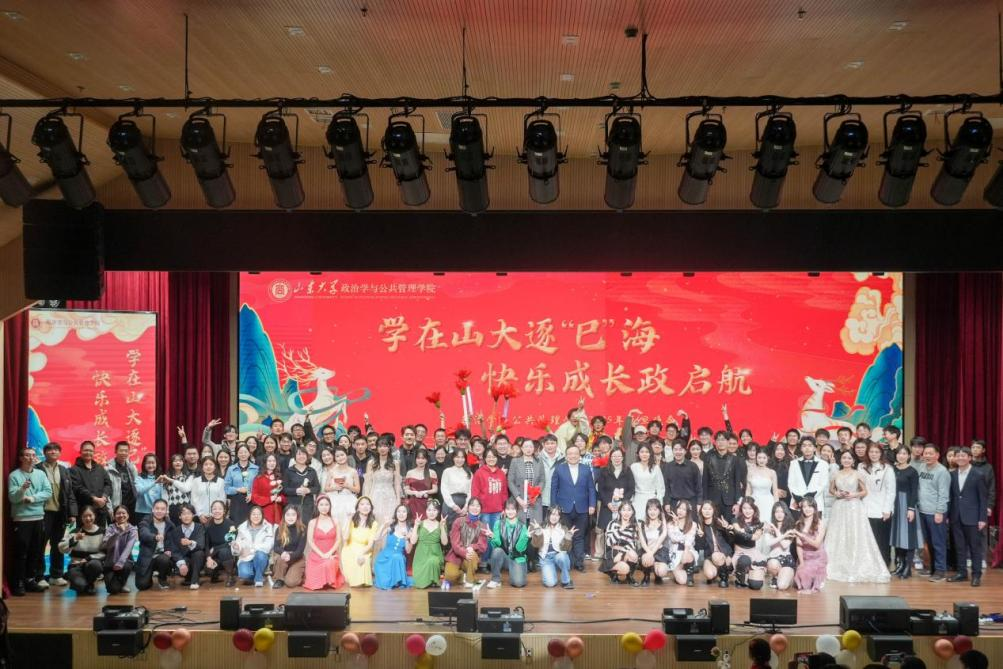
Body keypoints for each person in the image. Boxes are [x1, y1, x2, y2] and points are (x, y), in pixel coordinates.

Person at [825, 450, 890, 583]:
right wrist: (837, 493)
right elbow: (831, 490)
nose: (846, 460)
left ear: (853, 461)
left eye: (849, 458)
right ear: (840, 460)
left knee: (855, 534)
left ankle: (855, 563)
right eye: (844, 458)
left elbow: (865, 491)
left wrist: (853, 495)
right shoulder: (836, 473)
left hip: (854, 507)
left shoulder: (858, 473)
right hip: (839, 507)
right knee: (839, 534)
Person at [8, 446, 53, 596]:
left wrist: (32, 498)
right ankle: (18, 583)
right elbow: (13, 498)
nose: (31, 458)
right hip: (22, 519)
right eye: (27, 455)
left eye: (33, 455)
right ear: (21, 458)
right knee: (21, 552)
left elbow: (48, 492)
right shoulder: (14, 475)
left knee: (36, 551)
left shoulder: (40, 474)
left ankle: (30, 580)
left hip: (38, 517)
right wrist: (22, 489)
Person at [36, 442, 77, 588]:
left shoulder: (64, 470)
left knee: (58, 545)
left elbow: (69, 493)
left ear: (59, 453)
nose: (53, 452)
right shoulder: (37, 469)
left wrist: (72, 513)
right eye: (50, 450)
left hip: (60, 513)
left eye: (56, 450)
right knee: (40, 545)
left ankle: (56, 575)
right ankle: (39, 576)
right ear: (44, 453)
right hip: (43, 513)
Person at [550, 444, 596, 572]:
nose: (573, 456)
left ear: (579, 455)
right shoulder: (559, 469)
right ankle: (568, 562)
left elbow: (591, 488)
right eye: (570, 453)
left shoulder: (586, 469)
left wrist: (592, 504)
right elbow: (554, 489)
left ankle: (579, 563)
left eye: (575, 453)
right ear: (566, 455)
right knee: (566, 535)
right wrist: (554, 508)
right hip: (564, 509)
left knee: (579, 536)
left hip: (582, 508)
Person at [947, 447, 988, 587]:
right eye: (958, 456)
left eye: (963, 455)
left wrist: (982, 518)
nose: (960, 458)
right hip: (956, 516)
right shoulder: (952, 474)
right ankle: (962, 573)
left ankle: (976, 575)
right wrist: (948, 515)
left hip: (973, 517)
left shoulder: (978, 474)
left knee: (975, 548)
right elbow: (952, 497)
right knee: (959, 547)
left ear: (969, 458)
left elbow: (983, 498)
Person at [917, 443, 951, 581]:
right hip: (922, 511)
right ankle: (932, 568)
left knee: (938, 542)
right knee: (928, 542)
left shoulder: (942, 472)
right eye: (926, 453)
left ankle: (941, 570)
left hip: (935, 512)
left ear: (937, 455)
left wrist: (939, 512)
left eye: (931, 453)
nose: (928, 456)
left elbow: (944, 494)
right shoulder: (921, 467)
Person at [860, 443, 896, 567]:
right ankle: (870, 565)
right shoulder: (861, 467)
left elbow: (891, 491)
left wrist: (887, 509)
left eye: (876, 452)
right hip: (865, 508)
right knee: (867, 539)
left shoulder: (887, 469)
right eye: (871, 452)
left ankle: (884, 565)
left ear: (881, 453)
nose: (874, 454)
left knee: (882, 540)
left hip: (881, 509)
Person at [470, 448, 509, 559]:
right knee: (484, 535)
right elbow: (475, 492)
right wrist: (476, 509)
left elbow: (504, 492)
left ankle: (494, 560)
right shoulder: (479, 472)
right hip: (484, 511)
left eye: (493, 457)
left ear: (497, 458)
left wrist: (504, 508)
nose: (491, 459)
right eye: (489, 457)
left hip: (498, 511)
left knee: (495, 536)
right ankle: (484, 560)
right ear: (484, 459)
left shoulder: (501, 473)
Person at [596, 448, 634, 560]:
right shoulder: (604, 471)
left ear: (622, 458)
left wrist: (622, 504)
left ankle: (618, 553)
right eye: (614, 456)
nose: (617, 458)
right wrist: (608, 503)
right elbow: (600, 489)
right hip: (607, 505)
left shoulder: (627, 471)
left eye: (619, 456)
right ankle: (604, 554)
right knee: (605, 529)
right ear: (610, 458)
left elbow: (631, 489)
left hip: (623, 507)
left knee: (621, 529)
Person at [58, 506, 105, 595]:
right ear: (81, 518)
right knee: (80, 586)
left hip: (91, 564)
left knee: (96, 565)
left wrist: (88, 558)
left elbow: (104, 553)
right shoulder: (75, 531)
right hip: (76, 566)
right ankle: (82, 584)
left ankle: (89, 583)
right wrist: (75, 539)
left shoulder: (102, 532)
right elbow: (61, 548)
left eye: (90, 515)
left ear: (95, 516)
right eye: (85, 516)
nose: (88, 518)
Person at [168, 456, 227, 524]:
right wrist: (200, 514)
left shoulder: (221, 481)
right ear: (202, 467)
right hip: (199, 517)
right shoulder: (196, 481)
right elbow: (194, 499)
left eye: (211, 464)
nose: (208, 467)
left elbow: (222, 499)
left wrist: (214, 514)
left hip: (216, 515)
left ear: (215, 467)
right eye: (206, 464)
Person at [890, 445, 920, 579]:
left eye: (904, 454)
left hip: (906, 504)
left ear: (908, 456)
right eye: (899, 453)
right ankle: (900, 565)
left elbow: (914, 491)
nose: (901, 456)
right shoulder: (892, 469)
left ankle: (908, 568)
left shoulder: (912, 471)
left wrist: (911, 508)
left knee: (908, 537)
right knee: (897, 536)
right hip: (894, 504)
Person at [303, 495, 345, 590]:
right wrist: (322, 555)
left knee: (328, 563)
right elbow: (310, 541)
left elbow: (338, 540)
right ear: (317, 506)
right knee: (313, 583)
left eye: (326, 504)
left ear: (330, 506)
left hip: (331, 555)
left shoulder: (335, 521)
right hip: (316, 556)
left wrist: (329, 554)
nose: (324, 507)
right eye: (321, 505)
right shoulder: (312, 522)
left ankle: (329, 580)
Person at [486, 498, 530, 589]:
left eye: (513, 509)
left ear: (517, 510)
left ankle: (517, 571)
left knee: (518, 583)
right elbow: (497, 545)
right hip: (505, 557)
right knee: (497, 551)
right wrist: (492, 537)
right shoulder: (498, 523)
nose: (510, 511)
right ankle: (495, 579)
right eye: (508, 509)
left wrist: (526, 538)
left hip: (517, 558)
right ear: (504, 510)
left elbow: (519, 549)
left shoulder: (522, 526)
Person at [445, 497, 488, 587]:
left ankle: (470, 580)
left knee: (472, 555)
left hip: (470, 557)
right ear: (468, 507)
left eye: (478, 506)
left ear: (481, 509)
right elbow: (455, 543)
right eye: (472, 505)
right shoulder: (458, 521)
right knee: (450, 576)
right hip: (455, 555)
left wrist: (472, 547)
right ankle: (462, 576)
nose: (475, 508)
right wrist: (464, 552)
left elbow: (482, 546)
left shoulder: (482, 526)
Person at [70, 441, 113, 528]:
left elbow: (108, 484)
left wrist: (104, 497)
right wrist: (94, 499)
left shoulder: (100, 468)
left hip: (101, 510)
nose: (88, 452)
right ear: (80, 451)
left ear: (93, 452)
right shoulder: (74, 469)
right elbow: (78, 488)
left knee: (101, 534)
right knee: (84, 535)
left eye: (91, 451)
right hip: (84, 511)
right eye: (86, 450)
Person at [530, 506, 575, 589]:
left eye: (557, 515)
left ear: (560, 517)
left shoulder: (563, 528)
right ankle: (552, 571)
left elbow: (566, 549)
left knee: (562, 556)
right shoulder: (541, 526)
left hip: (558, 556)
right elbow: (536, 545)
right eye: (553, 514)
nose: (554, 517)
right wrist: (538, 532)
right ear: (548, 515)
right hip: (546, 558)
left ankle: (566, 581)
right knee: (550, 583)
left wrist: (568, 537)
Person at [702, 431, 743, 521]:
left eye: (723, 440)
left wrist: (737, 503)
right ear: (715, 442)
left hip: (729, 501)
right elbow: (705, 481)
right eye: (718, 440)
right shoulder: (708, 458)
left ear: (728, 442)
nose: (720, 442)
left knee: (728, 526)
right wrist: (704, 501)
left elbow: (737, 482)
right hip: (712, 500)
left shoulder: (735, 459)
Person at [728, 496, 767, 589]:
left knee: (756, 585)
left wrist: (743, 532)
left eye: (750, 508)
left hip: (753, 553)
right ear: (741, 509)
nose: (747, 511)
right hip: (740, 553)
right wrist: (743, 532)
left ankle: (748, 575)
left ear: (754, 509)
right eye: (744, 508)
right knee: (744, 560)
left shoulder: (758, 523)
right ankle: (740, 578)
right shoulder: (735, 520)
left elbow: (756, 537)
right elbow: (738, 531)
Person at [135, 499, 175, 591]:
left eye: (162, 509)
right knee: (142, 585)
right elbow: (144, 534)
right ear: (152, 509)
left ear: (166, 511)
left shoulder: (170, 525)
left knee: (164, 559)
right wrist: (155, 537)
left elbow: (173, 541)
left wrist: (169, 550)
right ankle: (148, 577)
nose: (159, 511)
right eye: (157, 508)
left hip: (162, 556)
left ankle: (162, 578)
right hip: (147, 557)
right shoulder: (145, 521)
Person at [362, 437, 402, 525]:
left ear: (389, 447)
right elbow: (368, 483)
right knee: (375, 520)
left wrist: (398, 499)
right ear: (377, 448)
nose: (382, 449)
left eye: (385, 446)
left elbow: (397, 483)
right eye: (380, 446)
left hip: (390, 496)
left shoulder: (395, 463)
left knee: (389, 520)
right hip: (374, 495)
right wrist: (366, 499)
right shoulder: (371, 463)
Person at [374, 504, 414, 590]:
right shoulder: (391, 527)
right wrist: (383, 525)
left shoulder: (410, 530)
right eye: (399, 512)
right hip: (384, 558)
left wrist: (407, 538)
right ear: (396, 514)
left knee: (397, 557)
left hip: (398, 558)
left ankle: (397, 580)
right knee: (384, 584)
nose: (401, 514)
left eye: (404, 512)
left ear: (407, 514)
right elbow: (376, 538)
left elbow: (408, 551)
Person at [167, 503, 206, 590]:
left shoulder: (199, 527)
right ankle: (188, 577)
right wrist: (181, 564)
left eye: (189, 513)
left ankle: (195, 581)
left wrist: (190, 542)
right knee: (182, 568)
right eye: (183, 514)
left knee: (199, 553)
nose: (186, 516)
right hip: (184, 560)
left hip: (197, 560)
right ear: (180, 516)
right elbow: (174, 550)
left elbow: (201, 545)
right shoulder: (175, 531)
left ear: (193, 515)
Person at [788, 436, 830, 518]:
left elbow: (823, 484)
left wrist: (809, 497)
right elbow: (791, 483)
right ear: (801, 448)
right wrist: (798, 499)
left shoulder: (823, 464)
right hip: (798, 504)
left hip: (815, 503)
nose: (807, 448)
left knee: (815, 526)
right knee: (797, 526)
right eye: (804, 446)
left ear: (814, 448)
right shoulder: (793, 463)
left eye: (810, 445)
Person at [341, 496, 379, 587]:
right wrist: (349, 519)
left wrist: (361, 553)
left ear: (371, 507)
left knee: (364, 560)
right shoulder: (352, 520)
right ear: (358, 508)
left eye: (368, 504)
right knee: (355, 559)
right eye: (362, 504)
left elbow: (370, 544)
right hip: (350, 548)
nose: (365, 506)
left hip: (364, 549)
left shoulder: (374, 523)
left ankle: (362, 581)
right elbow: (345, 538)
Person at [695, 500, 733, 587]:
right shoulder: (699, 525)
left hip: (724, 553)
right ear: (701, 510)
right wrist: (700, 537)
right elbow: (699, 547)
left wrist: (727, 528)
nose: (707, 511)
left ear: (713, 510)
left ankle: (724, 577)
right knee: (709, 575)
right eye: (705, 509)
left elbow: (730, 539)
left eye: (710, 509)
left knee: (716, 556)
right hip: (710, 556)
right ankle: (720, 570)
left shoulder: (719, 522)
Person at [411, 499, 448, 588]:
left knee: (433, 561)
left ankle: (433, 580)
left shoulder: (441, 524)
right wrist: (416, 525)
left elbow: (444, 543)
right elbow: (413, 541)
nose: (431, 512)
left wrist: (442, 527)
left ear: (438, 512)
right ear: (426, 511)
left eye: (434, 510)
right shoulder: (420, 523)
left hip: (435, 554)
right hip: (421, 556)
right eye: (429, 510)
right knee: (418, 584)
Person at [233, 505, 273, 587]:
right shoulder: (242, 527)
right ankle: (258, 574)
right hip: (246, 558)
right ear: (249, 516)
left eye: (258, 514)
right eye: (253, 514)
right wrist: (236, 548)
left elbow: (268, 546)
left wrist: (251, 550)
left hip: (261, 557)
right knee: (244, 574)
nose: (256, 516)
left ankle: (258, 579)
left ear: (262, 516)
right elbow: (238, 545)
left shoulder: (268, 527)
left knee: (260, 555)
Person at [793, 497, 827, 594]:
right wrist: (801, 562)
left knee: (806, 576)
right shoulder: (799, 523)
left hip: (817, 557)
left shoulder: (820, 523)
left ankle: (816, 583)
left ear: (814, 508)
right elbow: (799, 546)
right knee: (801, 574)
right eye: (804, 507)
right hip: (805, 557)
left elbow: (817, 544)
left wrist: (802, 536)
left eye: (809, 506)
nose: (807, 509)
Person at [102, 505, 138, 595]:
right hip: (110, 562)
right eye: (118, 513)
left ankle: (123, 582)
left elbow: (128, 548)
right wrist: (118, 533)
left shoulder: (133, 530)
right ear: (114, 516)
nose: (121, 515)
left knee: (126, 566)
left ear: (128, 515)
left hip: (124, 562)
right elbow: (107, 545)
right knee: (112, 590)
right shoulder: (110, 528)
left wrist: (120, 563)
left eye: (123, 513)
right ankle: (118, 583)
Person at [601, 502, 639, 585]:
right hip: (612, 554)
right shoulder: (612, 523)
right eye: (623, 510)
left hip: (624, 552)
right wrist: (621, 529)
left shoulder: (634, 526)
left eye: (629, 510)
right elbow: (609, 542)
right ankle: (613, 574)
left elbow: (632, 544)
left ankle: (630, 577)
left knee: (633, 555)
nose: (626, 513)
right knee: (625, 568)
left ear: (632, 512)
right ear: (619, 511)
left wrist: (621, 552)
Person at [636, 498, 671, 587]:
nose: (652, 512)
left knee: (662, 571)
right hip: (646, 550)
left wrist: (651, 554)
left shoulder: (663, 524)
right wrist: (649, 553)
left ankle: (657, 575)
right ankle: (646, 576)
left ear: (659, 511)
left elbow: (662, 538)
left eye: (655, 509)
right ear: (647, 510)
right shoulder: (641, 523)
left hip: (659, 551)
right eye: (650, 509)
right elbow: (642, 542)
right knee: (646, 559)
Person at [203, 500, 238, 586]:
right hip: (215, 556)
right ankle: (215, 574)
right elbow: (206, 545)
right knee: (208, 570)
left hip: (228, 554)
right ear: (211, 511)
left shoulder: (231, 524)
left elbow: (229, 542)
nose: (217, 511)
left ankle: (231, 577)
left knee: (224, 551)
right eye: (214, 509)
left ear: (224, 511)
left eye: (219, 509)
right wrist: (208, 558)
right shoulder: (208, 526)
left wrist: (215, 549)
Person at [763, 501, 796, 590]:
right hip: (774, 559)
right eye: (777, 511)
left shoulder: (790, 527)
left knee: (781, 587)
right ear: (773, 513)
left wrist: (776, 530)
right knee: (772, 564)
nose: (779, 514)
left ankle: (788, 576)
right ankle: (775, 577)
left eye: (782, 511)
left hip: (787, 560)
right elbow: (768, 543)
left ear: (785, 513)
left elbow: (785, 545)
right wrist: (783, 535)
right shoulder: (769, 527)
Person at [271, 506, 307, 588]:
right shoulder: (279, 529)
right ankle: (279, 579)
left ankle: (299, 574)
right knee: (280, 558)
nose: (290, 517)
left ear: (297, 516)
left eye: (293, 515)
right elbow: (276, 547)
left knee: (290, 583)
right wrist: (283, 553)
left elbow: (300, 550)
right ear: (284, 516)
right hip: (284, 558)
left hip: (297, 558)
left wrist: (290, 556)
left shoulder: (302, 529)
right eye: (288, 515)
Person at [283, 447, 321, 522]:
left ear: (307, 456)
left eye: (304, 454)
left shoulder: (312, 471)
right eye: (299, 454)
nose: (301, 456)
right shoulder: (289, 471)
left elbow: (317, 488)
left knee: (307, 525)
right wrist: (296, 490)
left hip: (308, 506)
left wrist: (308, 490)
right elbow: (285, 489)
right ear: (295, 457)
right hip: (292, 505)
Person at [224, 444, 259, 525]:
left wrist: (252, 494)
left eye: (245, 452)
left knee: (252, 524)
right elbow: (226, 488)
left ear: (249, 453)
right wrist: (238, 489)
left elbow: (259, 487)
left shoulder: (256, 469)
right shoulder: (231, 469)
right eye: (240, 452)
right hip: (236, 502)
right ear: (237, 454)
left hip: (252, 501)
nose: (243, 454)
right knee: (236, 525)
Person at [667, 500, 699, 586]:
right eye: (679, 508)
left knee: (687, 554)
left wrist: (685, 551)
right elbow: (673, 539)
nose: (680, 511)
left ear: (688, 512)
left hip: (688, 551)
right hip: (675, 553)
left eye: (684, 509)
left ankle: (690, 575)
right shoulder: (670, 524)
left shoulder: (693, 524)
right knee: (682, 581)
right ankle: (682, 570)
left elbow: (689, 540)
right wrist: (676, 525)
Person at [107, 441, 140, 524]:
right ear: (115, 451)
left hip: (132, 505)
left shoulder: (131, 467)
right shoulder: (108, 468)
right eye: (121, 450)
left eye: (126, 451)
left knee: (131, 529)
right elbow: (106, 491)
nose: (123, 453)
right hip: (117, 505)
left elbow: (137, 485)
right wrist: (110, 509)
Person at [629, 444, 664, 521]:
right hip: (637, 499)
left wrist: (659, 503)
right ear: (638, 453)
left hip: (652, 500)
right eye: (642, 452)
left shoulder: (655, 467)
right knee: (637, 521)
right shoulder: (633, 467)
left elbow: (660, 487)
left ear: (650, 453)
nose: (644, 454)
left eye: (647, 452)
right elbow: (630, 485)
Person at [403, 449, 438, 521]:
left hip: (427, 503)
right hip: (413, 503)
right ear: (415, 459)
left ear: (427, 460)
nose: (420, 461)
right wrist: (415, 492)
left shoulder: (432, 472)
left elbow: (435, 489)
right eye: (418, 458)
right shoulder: (410, 473)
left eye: (423, 458)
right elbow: (406, 490)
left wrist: (425, 492)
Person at [251, 453, 286, 524]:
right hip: (265, 512)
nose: (272, 463)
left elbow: (285, 495)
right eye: (269, 461)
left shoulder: (280, 477)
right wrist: (269, 499)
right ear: (265, 463)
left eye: (274, 461)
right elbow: (254, 498)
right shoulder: (258, 478)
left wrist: (281, 499)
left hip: (278, 512)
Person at [440, 449, 472, 526]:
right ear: (453, 458)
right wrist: (452, 505)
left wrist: (466, 506)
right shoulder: (447, 471)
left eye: (462, 457)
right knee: (449, 527)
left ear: (465, 459)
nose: (459, 460)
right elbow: (444, 489)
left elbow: (470, 491)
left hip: (464, 504)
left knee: (463, 528)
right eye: (457, 457)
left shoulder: (469, 473)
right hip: (450, 503)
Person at [746, 447, 778, 523]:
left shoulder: (772, 472)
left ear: (768, 458)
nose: (761, 460)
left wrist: (777, 506)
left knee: (768, 522)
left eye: (764, 458)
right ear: (756, 458)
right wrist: (746, 504)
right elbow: (748, 490)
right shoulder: (750, 471)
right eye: (759, 457)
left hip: (768, 502)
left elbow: (775, 491)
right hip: (754, 502)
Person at [134, 453, 165, 525]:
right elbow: (139, 491)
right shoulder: (139, 478)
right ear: (144, 465)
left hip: (158, 511)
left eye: (153, 463)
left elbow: (163, 496)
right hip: (142, 512)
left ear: (156, 464)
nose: (151, 465)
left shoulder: (161, 478)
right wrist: (155, 482)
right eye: (148, 463)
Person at [163, 453, 193, 525]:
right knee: (174, 528)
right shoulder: (167, 477)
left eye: (180, 460)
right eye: (175, 461)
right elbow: (165, 496)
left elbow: (186, 489)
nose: (178, 462)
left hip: (186, 506)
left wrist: (171, 480)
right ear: (171, 463)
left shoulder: (189, 476)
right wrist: (166, 510)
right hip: (172, 508)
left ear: (183, 463)